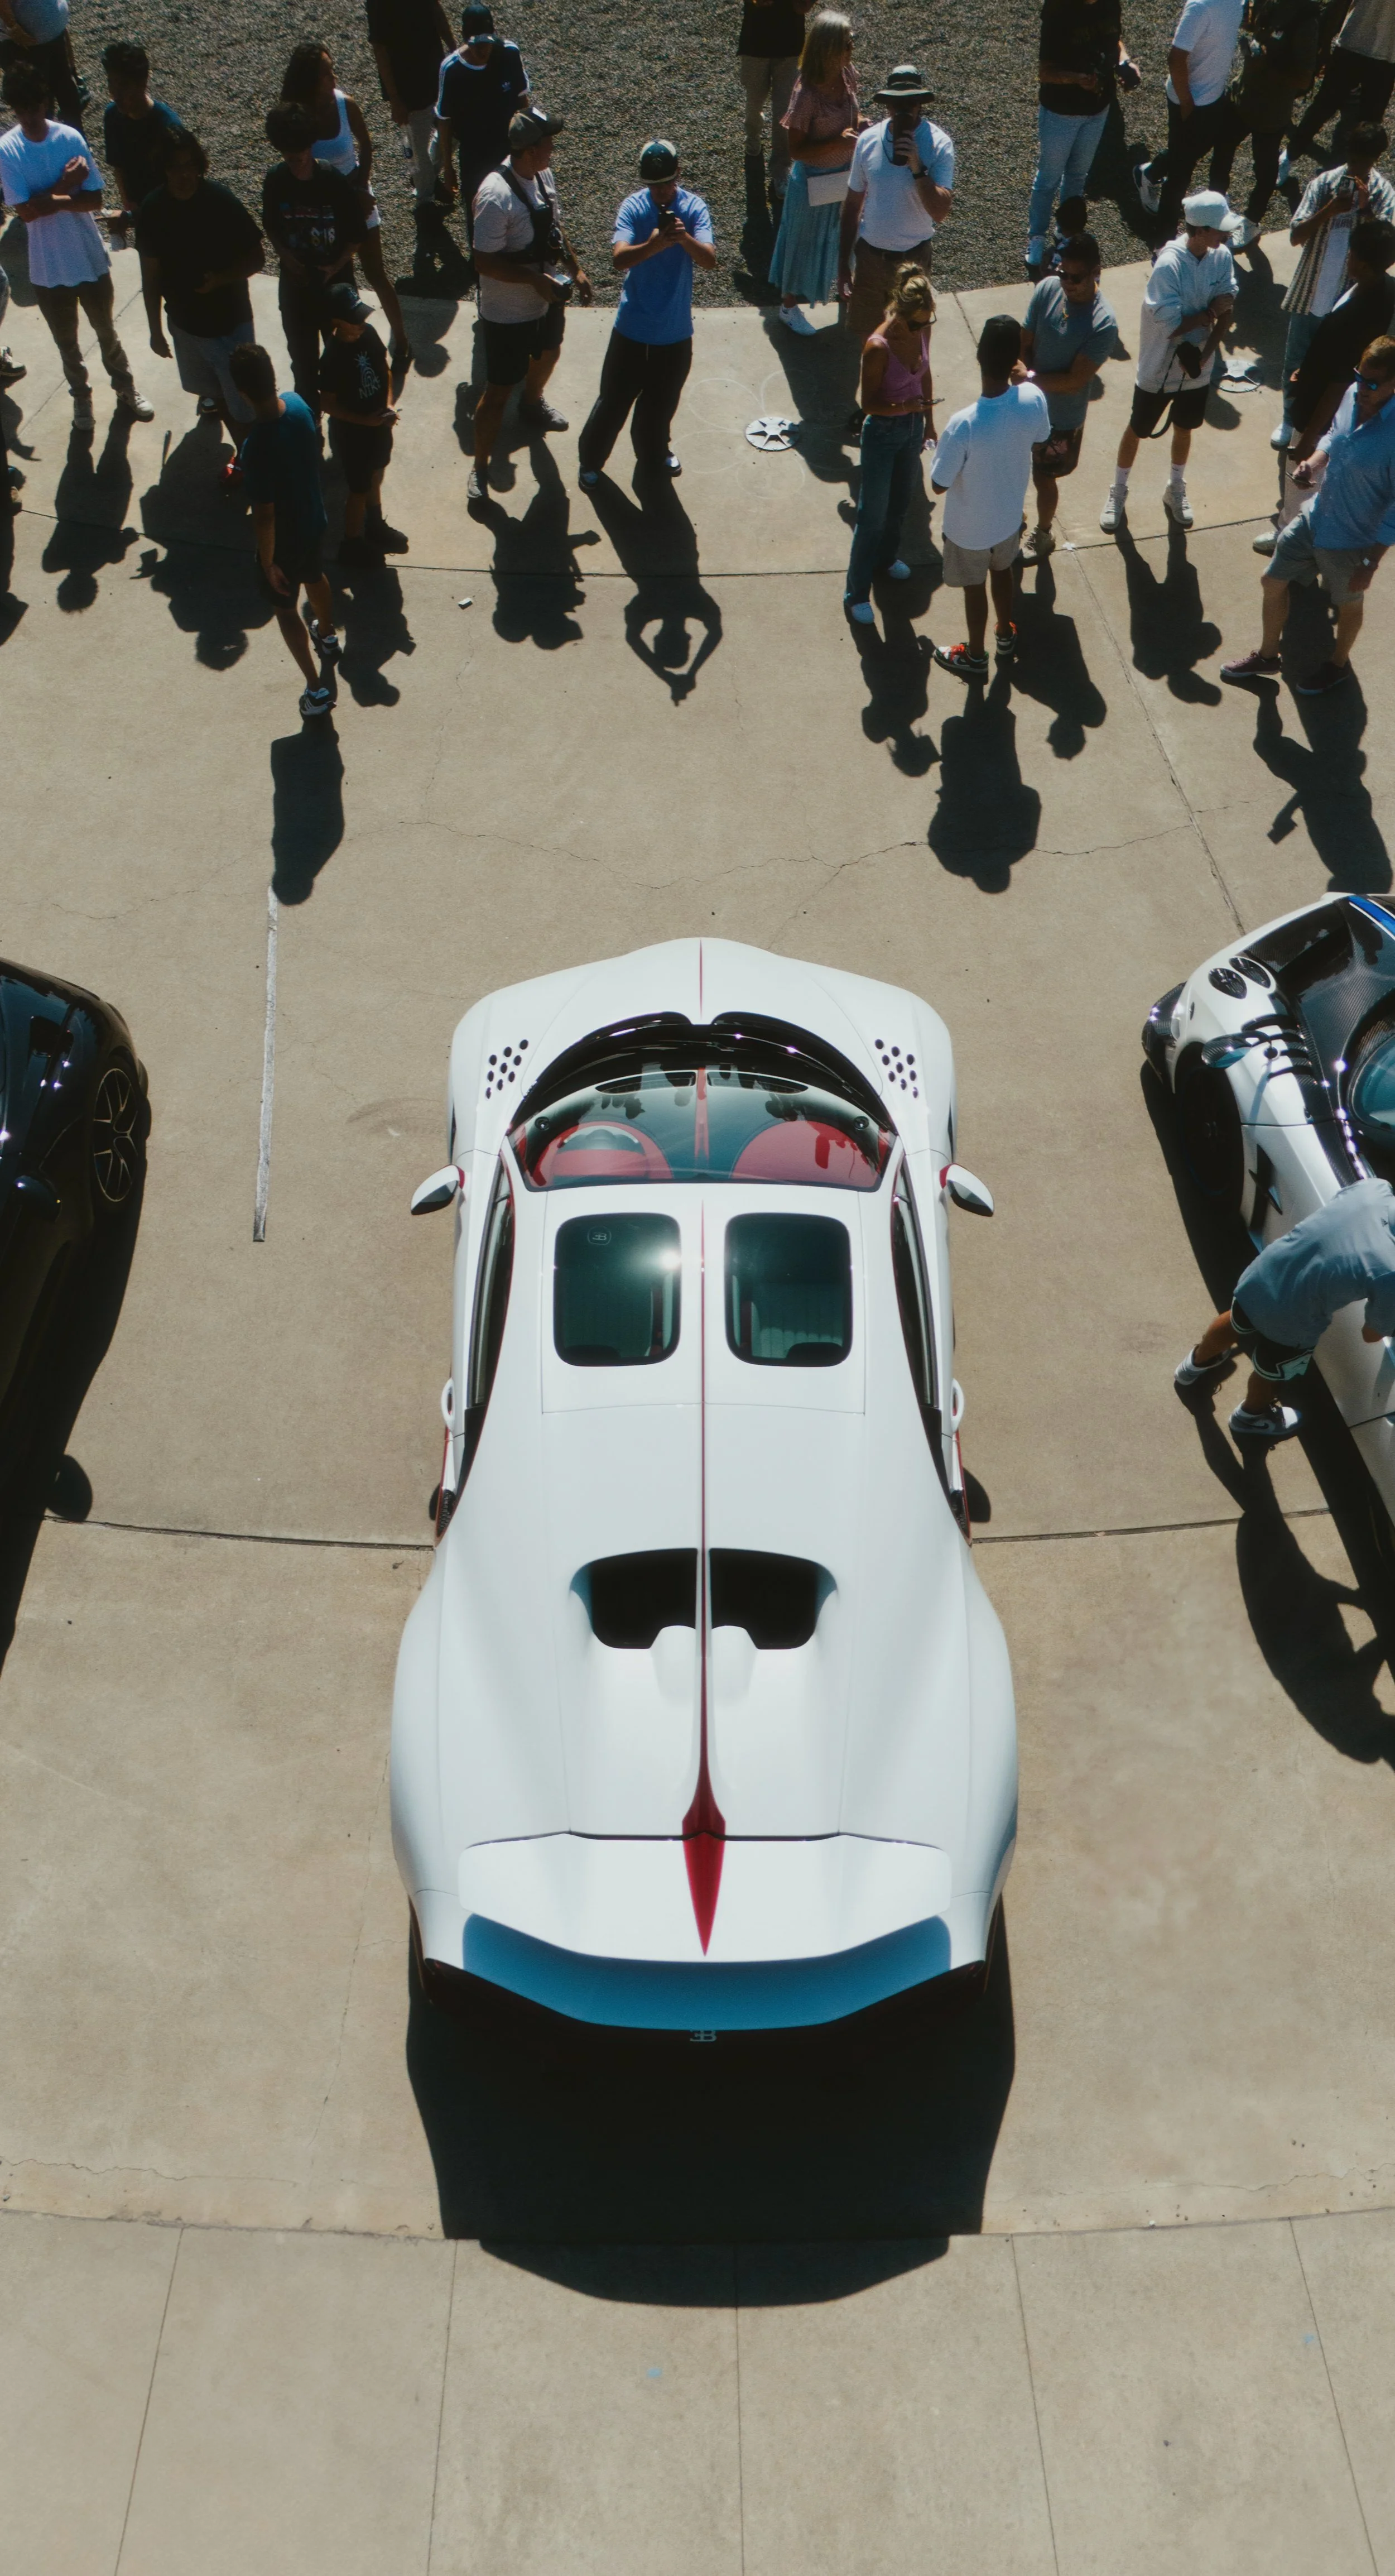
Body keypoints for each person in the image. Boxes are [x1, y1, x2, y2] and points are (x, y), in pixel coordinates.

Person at [1221, 330, 1395, 690]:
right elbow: (1334, 435)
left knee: (1348, 603)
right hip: (1316, 516)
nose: (1363, 388)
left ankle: (1338, 664)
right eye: (1360, 377)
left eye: (1374, 384)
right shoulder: (1351, 394)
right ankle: (1268, 657)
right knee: (1272, 580)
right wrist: (1314, 464)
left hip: (1352, 540)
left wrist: (1371, 562)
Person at [1176, 1174, 1395, 1440]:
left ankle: (1193, 1366)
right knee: (1270, 1371)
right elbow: (1371, 1335)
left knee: (1236, 1319)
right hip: (1294, 1322)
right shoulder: (1391, 1272)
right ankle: (1250, 1417)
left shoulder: (1374, 1189)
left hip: (1261, 1276)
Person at [0, 62, 153, 424]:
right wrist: (65, 186)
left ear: (46, 103)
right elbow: (26, 214)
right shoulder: (7, 150)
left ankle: (125, 386)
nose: (30, 117)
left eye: (35, 107)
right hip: (48, 268)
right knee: (67, 345)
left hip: (88, 258)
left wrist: (50, 200)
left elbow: (96, 200)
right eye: (21, 110)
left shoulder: (69, 138)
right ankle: (81, 397)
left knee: (107, 333)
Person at [468, 104, 591, 502]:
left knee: (550, 352)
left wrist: (575, 268)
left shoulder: (542, 175)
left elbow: (555, 229)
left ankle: (533, 403)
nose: (553, 148)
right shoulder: (494, 196)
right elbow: (484, 261)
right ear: (528, 150)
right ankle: (480, 467)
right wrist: (533, 279)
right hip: (508, 313)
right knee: (498, 390)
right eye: (547, 143)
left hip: (546, 299)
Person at [577, 140, 714, 489]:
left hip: (675, 332)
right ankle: (590, 462)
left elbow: (710, 260)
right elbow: (619, 258)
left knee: (662, 405)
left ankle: (655, 455)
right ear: (645, 183)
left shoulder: (695, 209)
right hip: (633, 329)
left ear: (678, 175)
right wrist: (655, 244)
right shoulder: (633, 208)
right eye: (655, 185)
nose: (663, 192)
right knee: (614, 402)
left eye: (668, 182)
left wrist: (683, 239)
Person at [1100, 188, 1239, 531]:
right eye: (1220, 228)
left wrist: (1207, 354)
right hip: (1158, 366)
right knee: (1138, 428)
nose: (1227, 234)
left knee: (1185, 427)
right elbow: (1173, 324)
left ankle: (1175, 487)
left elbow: (1228, 300)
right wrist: (1209, 313)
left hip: (1198, 369)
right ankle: (1118, 490)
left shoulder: (1221, 255)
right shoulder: (1169, 264)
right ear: (1201, 230)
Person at [1253, 214, 1395, 544]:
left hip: (1319, 408)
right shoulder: (1383, 288)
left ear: (1360, 262)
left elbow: (1339, 382)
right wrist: (1308, 367)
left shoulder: (1359, 312)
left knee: (1303, 481)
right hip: (1318, 387)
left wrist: (1309, 437)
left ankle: (1290, 538)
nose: (1348, 257)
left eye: (1351, 253)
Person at [280, 41, 411, 385]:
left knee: (376, 271)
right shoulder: (298, 116)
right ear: (310, 78)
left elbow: (366, 146)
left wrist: (359, 187)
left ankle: (403, 339)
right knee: (338, 280)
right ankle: (346, 350)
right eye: (325, 72)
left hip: (355, 196)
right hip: (323, 211)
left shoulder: (344, 104)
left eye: (331, 68)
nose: (333, 75)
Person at [930, 312, 1050, 678]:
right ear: (1016, 358)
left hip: (969, 531)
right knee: (1003, 574)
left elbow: (938, 485)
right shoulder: (1033, 397)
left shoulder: (963, 423)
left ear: (979, 357)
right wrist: (1025, 378)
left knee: (973, 588)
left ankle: (976, 656)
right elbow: (1042, 437)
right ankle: (1004, 632)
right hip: (1009, 522)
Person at [228, 339, 339, 719]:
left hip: (285, 540)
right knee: (316, 575)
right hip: (314, 520)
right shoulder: (299, 405)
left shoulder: (255, 448)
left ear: (242, 393)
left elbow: (264, 516)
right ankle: (327, 634)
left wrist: (268, 562)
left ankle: (316, 688)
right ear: (274, 377)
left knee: (287, 610)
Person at [137, 132, 263, 443]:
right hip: (185, 326)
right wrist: (156, 330)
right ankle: (245, 456)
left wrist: (221, 279)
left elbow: (257, 258)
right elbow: (150, 277)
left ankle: (254, 461)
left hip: (229, 325)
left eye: (189, 165)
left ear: (199, 165)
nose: (183, 175)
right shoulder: (153, 209)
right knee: (214, 395)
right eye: (174, 167)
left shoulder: (220, 201)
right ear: (163, 170)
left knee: (245, 405)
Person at [1273, 124, 1395, 443]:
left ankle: (1326, 428)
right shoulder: (1324, 184)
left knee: (1339, 373)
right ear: (1348, 153)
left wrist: (1366, 209)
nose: (1361, 168)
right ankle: (1289, 420)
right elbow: (1296, 236)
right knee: (1295, 361)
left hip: (1349, 304)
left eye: (1368, 161)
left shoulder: (1384, 193)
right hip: (1310, 295)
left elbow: (1385, 250)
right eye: (1357, 159)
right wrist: (1330, 210)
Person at [262, 100, 370, 421]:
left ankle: (348, 422)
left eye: (300, 155)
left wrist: (334, 267)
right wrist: (287, 259)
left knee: (344, 356)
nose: (295, 163)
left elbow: (356, 233)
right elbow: (271, 225)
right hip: (296, 289)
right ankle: (311, 428)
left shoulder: (332, 181)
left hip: (335, 287)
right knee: (304, 364)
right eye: (289, 156)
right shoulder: (276, 180)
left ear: (311, 146)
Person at [839, 64, 955, 350]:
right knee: (869, 340)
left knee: (912, 340)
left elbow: (940, 212)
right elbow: (853, 205)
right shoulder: (868, 140)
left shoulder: (939, 144)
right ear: (887, 104)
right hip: (870, 259)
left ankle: (910, 392)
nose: (904, 109)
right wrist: (843, 265)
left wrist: (917, 166)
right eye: (897, 102)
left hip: (914, 260)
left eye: (911, 103)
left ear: (920, 105)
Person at [844, 261, 934, 625]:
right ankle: (856, 592)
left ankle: (886, 558)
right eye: (916, 323)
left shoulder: (922, 329)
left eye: (927, 322)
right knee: (872, 518)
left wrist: (928, 422)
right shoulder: (877, 347)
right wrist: (903, 406)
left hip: (911, 429)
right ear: (899, 313)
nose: (922, 329)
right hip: (882, 434)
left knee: (900, 505)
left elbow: (927, 374)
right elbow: (867, 406)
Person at [1021, 231, 1117, 555]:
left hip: (1060, 418)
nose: (1067, 282)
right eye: (1063, 273)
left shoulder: (1103, 324)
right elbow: (1026, 339)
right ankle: (1014, 519)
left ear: (1095, 272)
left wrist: (1027, 379)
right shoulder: (1048, 287)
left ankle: (1044, 533)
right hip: (1025, 404)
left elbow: (1075, 380)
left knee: (1044, 477)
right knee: (1013, 465)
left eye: (1076, 277)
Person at [1028, 0, 1137, 275]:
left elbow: (1113, 41)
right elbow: (1045, 71)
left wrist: (1125, 63)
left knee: (1078, 176)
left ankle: (1067, 232)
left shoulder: (1110, 4)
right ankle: (1037, 237)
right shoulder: (1058, 10)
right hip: (1061, 113)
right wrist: (1077, 79)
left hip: (1098, 110)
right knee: (1049, 179)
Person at [768, 11, 861, 330]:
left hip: (844, 176)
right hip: (813, 184)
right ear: (829, 47)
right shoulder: (806, 93)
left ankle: (843, 286)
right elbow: (796, 150)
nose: (852, 48)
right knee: (803, 243)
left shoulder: (847, 74)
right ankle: (789, 307)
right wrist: (838, 141)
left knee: (843, 236)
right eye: (847, 43)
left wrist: (860, 126)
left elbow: (851, 119)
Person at [1206, 0, 1323, 246]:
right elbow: (1258, 30)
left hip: (1271, 111)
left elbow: (1304, 79)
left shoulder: (1305, 22)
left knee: (1265, 171)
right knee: (1222, 151)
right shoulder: (1268, 3)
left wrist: (1267, 64)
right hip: (1242, 96)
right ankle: (1216, 207)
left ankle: (1251, 223)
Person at [1134, 0, 1246, 236]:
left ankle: (1151, 173)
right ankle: (1164, 241)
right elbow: (1176, 58)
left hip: (1214, 97)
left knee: (1190, 153)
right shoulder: (1200, 7)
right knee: (1181, 176)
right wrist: (1187, 102)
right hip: (1190, 102)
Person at [320, 281, 404, 562]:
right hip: (353, 434)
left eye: (361, 318)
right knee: (358, 489)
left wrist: (389, 404)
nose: (360, 324)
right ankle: (351, 543)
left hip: (378, 425)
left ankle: (375, 525)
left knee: (375, 476)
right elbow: (328, 404)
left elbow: (386, 371)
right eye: (353, 321)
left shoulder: (369, 335)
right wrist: (362, 421)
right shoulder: (332, 357)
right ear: (336, 322)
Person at [435, 3, 528, 245]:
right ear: (466, 39)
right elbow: (444, 123)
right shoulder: (452, 69)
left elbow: (522, 103)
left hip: (510, 148)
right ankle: (481, 264)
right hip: (474, 154)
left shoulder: (509, 54)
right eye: (478, 44)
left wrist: (530, 145)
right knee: (479, 208)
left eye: (487, 43)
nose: (484, 50)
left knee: (518, 203)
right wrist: (448, 168)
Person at [364, 0, 454, 225]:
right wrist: (395, 99)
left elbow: (435, 9)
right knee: (411, 146)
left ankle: (427, 181)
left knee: (453, 133)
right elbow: (380, 48)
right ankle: (425, 201)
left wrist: (454, 51)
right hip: (405, 85)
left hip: (435, 70)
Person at [101, 41, 184, 243]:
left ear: (143, 82)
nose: (115, 93)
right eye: (111, 83)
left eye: (123, 86)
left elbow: (182, 182)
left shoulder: (167, 127)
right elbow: (118, 165)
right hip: (142, 218)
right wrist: (128, 206)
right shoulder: (112, 116)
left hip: (174, 217)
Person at [1290, 0, 1395, 156]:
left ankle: (1354, 170)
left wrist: (1325, 45)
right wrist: (1325, 45)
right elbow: (1340, 4)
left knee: (1368, 121)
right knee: (1325, 106)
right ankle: (1291, 154)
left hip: (1377, 54)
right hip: (1355, 46)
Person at [737, 0, 814, 202]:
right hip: (755, 46)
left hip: (790, 48)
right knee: (754, 101)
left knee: (785, 112)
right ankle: (752, 133)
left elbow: (802, 7)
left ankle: (781, 171)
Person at [0, 0, 84, 131]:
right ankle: (45, 140)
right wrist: (13, 27)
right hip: (27, 45)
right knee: (39, 98)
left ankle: (75, 139)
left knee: (66, 91)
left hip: (51, 36)